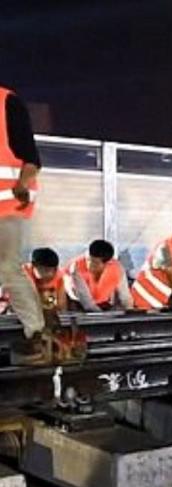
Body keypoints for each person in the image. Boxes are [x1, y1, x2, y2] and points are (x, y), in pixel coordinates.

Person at [0, 85, 49, 364]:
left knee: (7, 267)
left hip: (10, 204)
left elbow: (32, 159)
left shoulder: (7, 102)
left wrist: (22, 184)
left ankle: (36, 334)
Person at [63, 240, 133, 311]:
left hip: (104, 305)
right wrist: (102, 317)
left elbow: (125, 298)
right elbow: (87, 303)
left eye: (95, 263)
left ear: (107, 263)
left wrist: (130, 313)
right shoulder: (75, 269)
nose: (90, 265)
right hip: (78, 305)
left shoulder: (117, 269)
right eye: (89, 260)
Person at [22, 248, 66, 312]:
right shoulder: (21, 275)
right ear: (34, 265)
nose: (51, 274)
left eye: (54, 270)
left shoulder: (59, 277)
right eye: (46, 270)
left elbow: (62, 306)